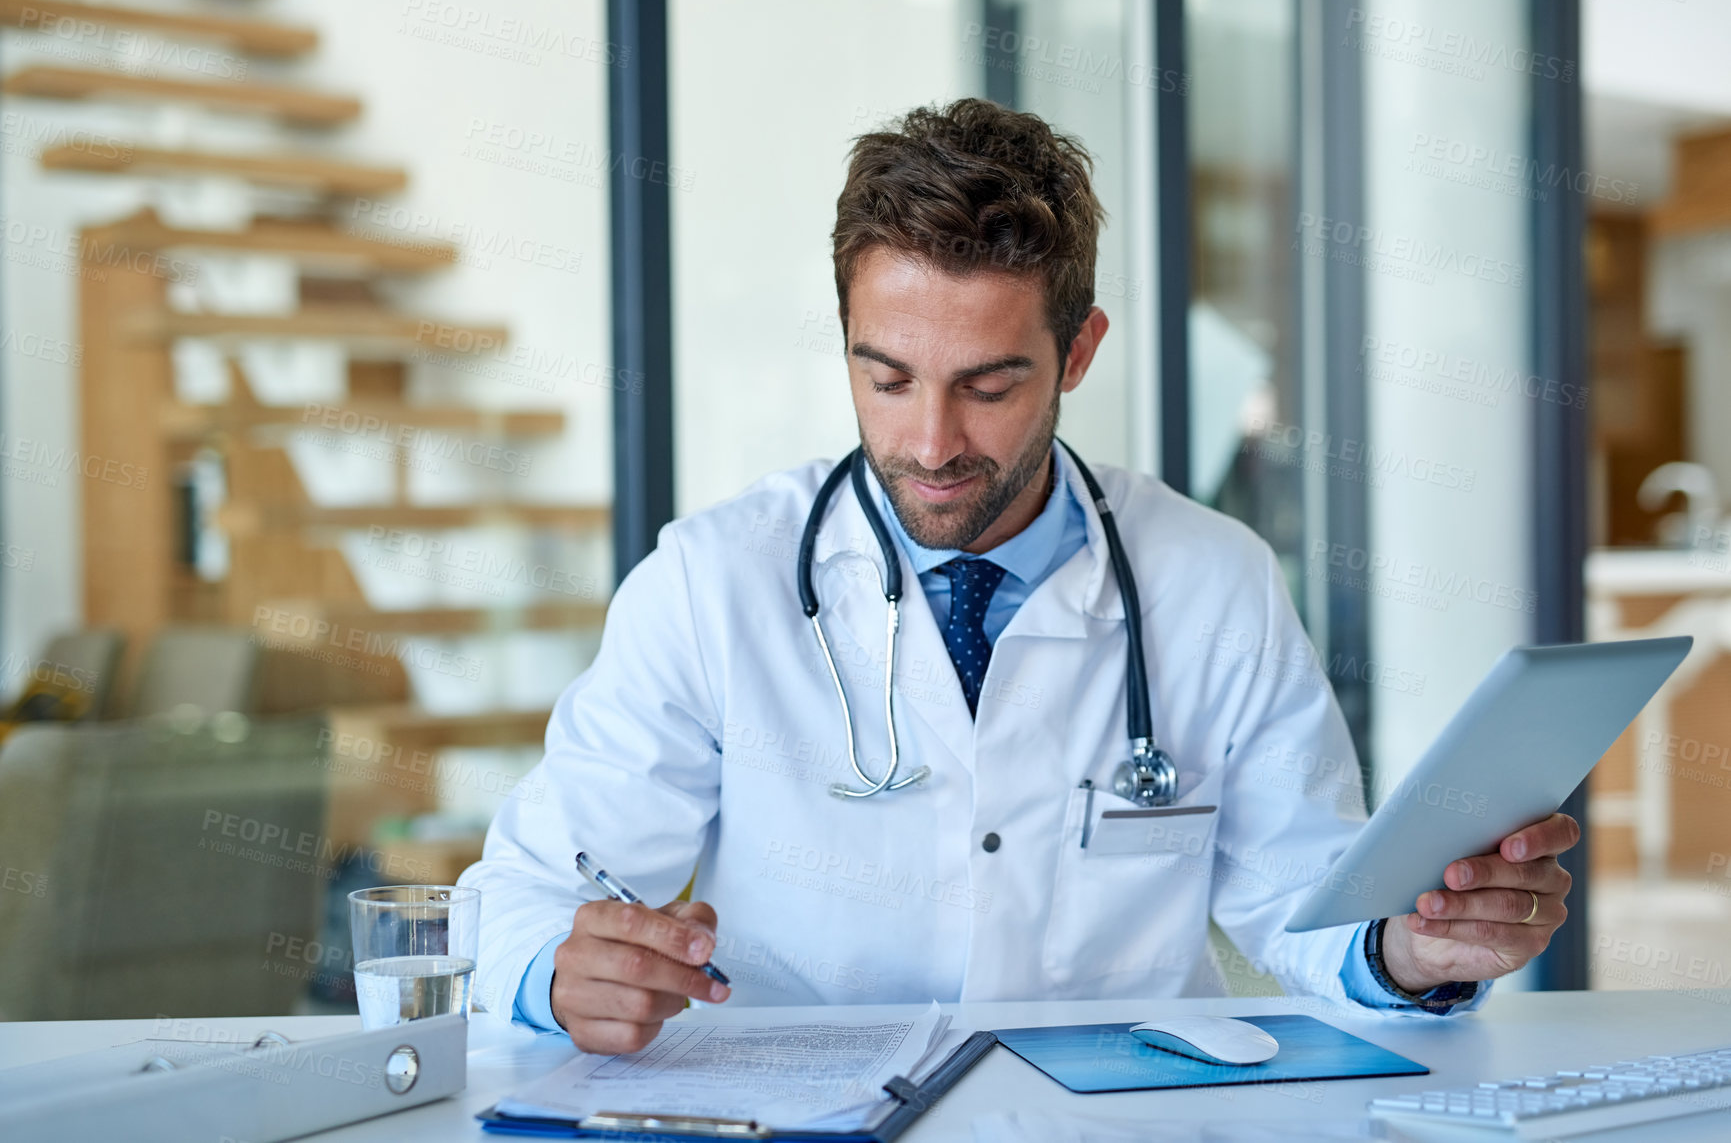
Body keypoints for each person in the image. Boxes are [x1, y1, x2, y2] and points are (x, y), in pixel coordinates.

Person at [458, 98, 1577, 1054]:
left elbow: (1305, 902)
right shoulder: (710, 584)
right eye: (886, 378)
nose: (932, 442)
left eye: (988, 387)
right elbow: (523, 894)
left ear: (1078, 353)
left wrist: (1413, 949)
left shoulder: (1214, 581)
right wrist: (553, 977)